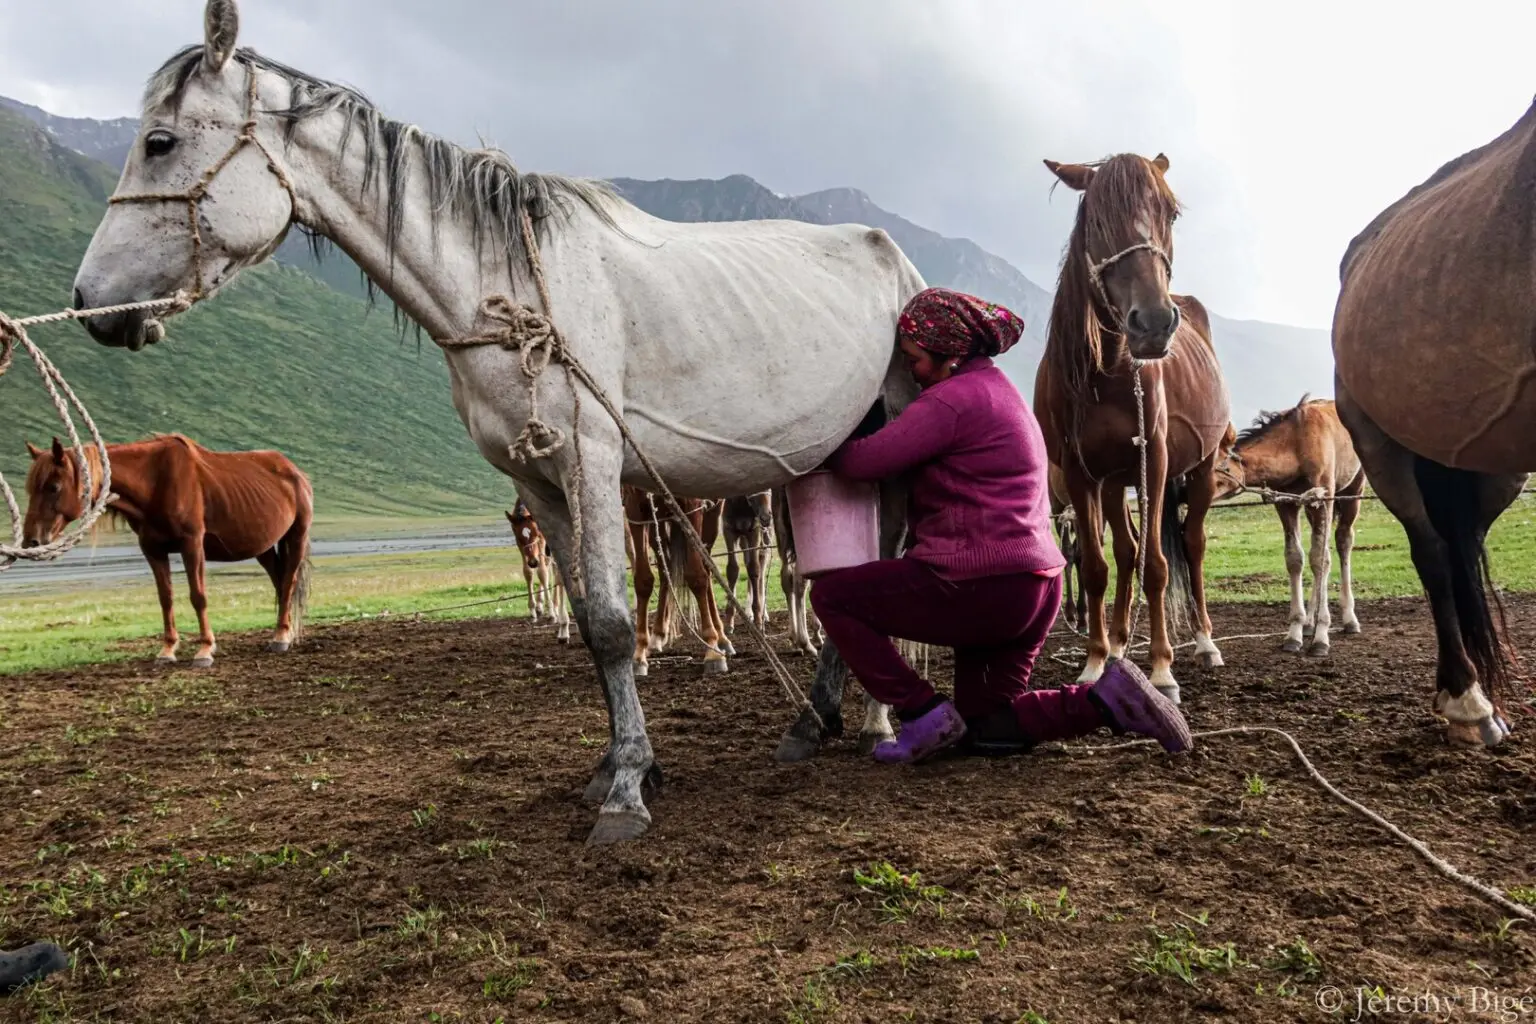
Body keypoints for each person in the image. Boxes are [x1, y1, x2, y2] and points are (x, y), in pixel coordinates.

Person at [809, 287, 1193, 763]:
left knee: (832, 597)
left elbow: (865, 462)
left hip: (982, 586)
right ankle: (1108, 700)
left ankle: (920, 712)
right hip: (1035, 588)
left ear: (946, 353)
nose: (910, 369)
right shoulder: (998, 390)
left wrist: (809, 439)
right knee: (987, 725)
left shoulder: (950, 401)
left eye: (913, 358)